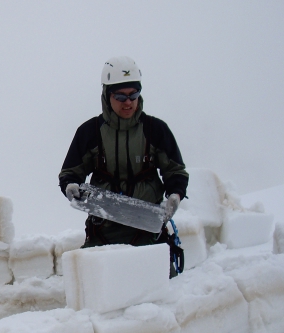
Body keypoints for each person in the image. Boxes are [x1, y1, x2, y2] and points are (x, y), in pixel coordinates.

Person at [59, 56, 188, 248]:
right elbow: (70, 172)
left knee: (155, 277)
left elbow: (175, 171)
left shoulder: (155, 130)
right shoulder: (90, 132)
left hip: (149, 230)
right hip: (103, 230)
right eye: (120, 96)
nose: (128, 102)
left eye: (133, 95)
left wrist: (175, 195)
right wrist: (70, 186)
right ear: (107, 95)